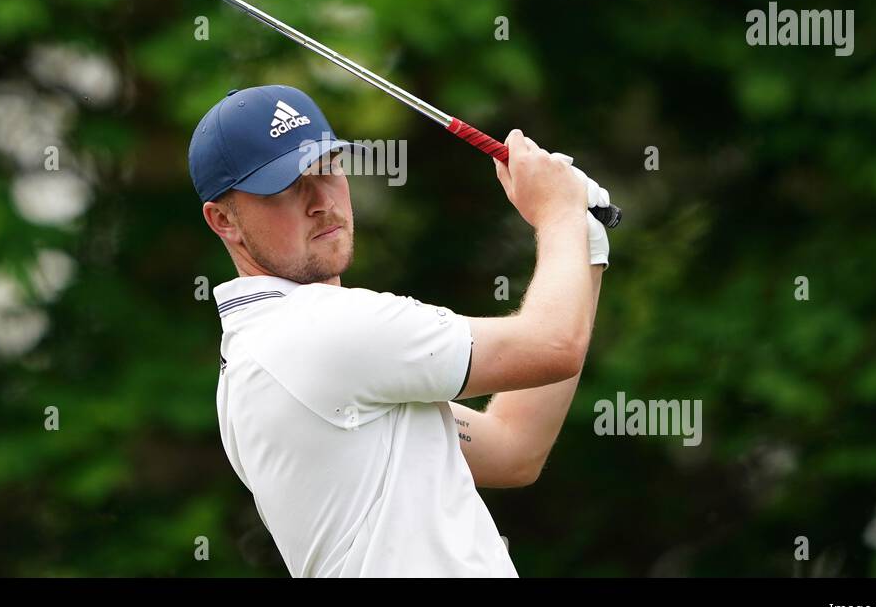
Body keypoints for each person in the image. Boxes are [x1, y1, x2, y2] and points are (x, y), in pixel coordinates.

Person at [189, 84, 609, 577]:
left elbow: (513, 449)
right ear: (224, 221)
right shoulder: (313, 330)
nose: (321, 201)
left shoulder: (271, 347)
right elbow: (554, 345)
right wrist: (558, 213)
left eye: (326, 169)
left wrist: (584, 244)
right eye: (285, 187)